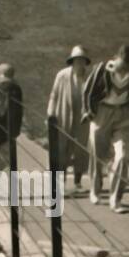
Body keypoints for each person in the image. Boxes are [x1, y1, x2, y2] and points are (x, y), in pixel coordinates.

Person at [82, 44, 129, 211]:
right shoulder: (102, 69)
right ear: (116, 58)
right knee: (97, 153)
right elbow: (87, 91)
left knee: (122, 155)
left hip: (124, 115)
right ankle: (95, 190)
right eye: (122, 66)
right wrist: (90, 113)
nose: (125, 70)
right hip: (102, 114)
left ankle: (115, 198)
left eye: (128, 67)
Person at [47, 46, 92, 191]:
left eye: (82, 61)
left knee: (81, 149)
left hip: (82, 118)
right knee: (62, 149)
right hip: (64, 115)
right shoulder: (63, 75)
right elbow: (54, 95)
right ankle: (62, 182)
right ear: (72, 61)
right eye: (77, 60)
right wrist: (51, 114)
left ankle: (78, 182)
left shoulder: (89, 77)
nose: (79, 63)